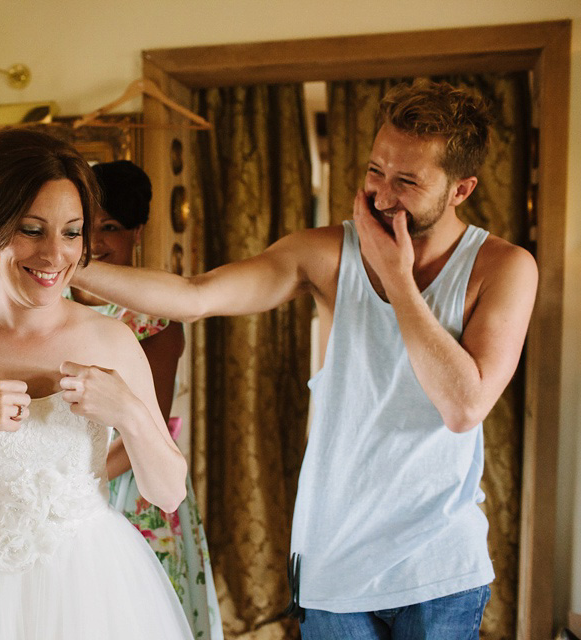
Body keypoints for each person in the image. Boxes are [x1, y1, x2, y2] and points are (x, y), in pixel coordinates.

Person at [71, 80, 538, 638]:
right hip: (331, 561)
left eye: (407, 181)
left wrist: (395, 275)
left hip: (439, 567)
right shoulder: (324, 254)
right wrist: (61, 266)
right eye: (375, 171)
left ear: (461, 189)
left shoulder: (504, 268)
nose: (381, 196)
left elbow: (464, 406)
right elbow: (195, 297)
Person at [0, 128, 193, 639]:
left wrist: (129, 415)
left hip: (92, 590)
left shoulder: (113, 341)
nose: (53, 255)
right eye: (31, 229)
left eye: (71, 232)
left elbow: (168, 492)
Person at [69, 160, 223, 639]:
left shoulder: (154, 319)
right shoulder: (53, 310)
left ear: (137, 231)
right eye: (84, 229)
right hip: (68, 479)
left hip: (133, 484)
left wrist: (73, 479)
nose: (95, 244)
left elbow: (146, 427)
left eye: (110, 227)